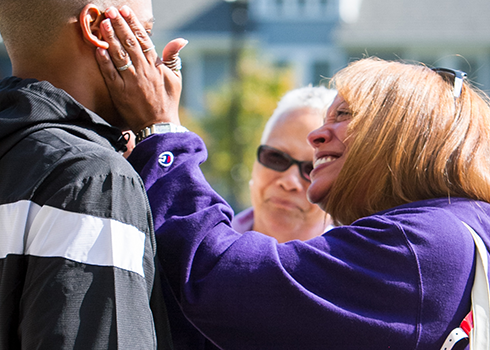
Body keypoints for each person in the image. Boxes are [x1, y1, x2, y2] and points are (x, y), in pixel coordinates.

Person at [98, 10, 490, 350]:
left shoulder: (424, 244)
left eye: (344, 116)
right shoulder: (464, 228)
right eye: (273, 158)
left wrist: (162, 132)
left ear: (406, 134)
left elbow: (218, 280)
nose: (316, 137)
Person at [0, 1, 186, 349]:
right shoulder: (94, 179)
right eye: (145, 32)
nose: (158, 64)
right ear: (98, 26)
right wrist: (162, 130)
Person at [232, 86, 336, 242]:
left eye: (313, 169)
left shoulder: (353, 265)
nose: (289, 182)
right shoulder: (198, 252)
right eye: (276, 157)